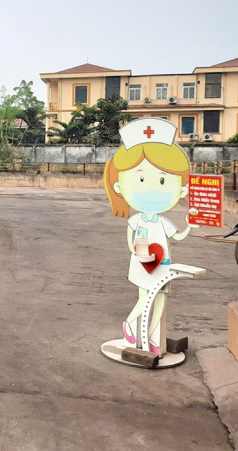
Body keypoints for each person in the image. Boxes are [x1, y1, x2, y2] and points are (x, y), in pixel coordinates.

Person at [103, 118, 198, 354]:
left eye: (163, 179)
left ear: (182, 187)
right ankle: (130, 325)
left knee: (160, 303)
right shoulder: (135, 219)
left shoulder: (163, 222)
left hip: (162, 265)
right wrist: (136, 253)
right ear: (119, 187)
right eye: (141, 179)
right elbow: (130, 239)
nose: (153, 188)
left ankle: (154, 341)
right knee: (144, 300)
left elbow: (176, 238)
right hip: (142, 264)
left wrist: (189, 226)